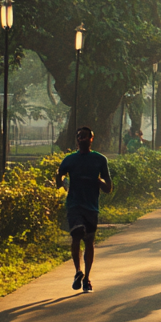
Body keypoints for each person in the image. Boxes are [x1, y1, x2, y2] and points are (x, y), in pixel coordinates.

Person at [55, 126, 112, 293]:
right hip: (74, 204)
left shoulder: (100, 160)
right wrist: (61, 182)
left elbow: (108, 187)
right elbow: (60, 178)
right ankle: (77, 271)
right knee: (76, 235)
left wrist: (98, 181)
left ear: (91, 139)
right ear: (76, 140)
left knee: (89, 241)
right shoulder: (69, 160)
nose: (82, 139)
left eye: (85, 136)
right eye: (79, 136)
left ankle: (86, 278)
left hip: (91, 206)